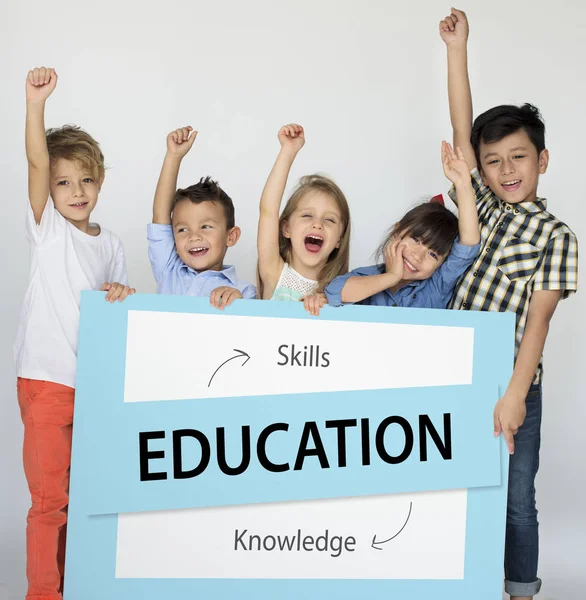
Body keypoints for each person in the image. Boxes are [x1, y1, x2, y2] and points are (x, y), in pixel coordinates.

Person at [440, 9, 579, 598]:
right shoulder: (486, 206)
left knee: (516, 497)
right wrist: (457, 48)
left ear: (541, 161)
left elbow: (538, 323)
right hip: (455, 372)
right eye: (493, 161)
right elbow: (461, 122)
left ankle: (520, 588)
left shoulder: (557, 236)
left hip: (513, 383)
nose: (505, 169)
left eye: (518, 157)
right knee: (454, 485)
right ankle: (456, 579)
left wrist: (515, 396)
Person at [15, 66, 134, 600]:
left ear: (101, 181)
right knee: (49, 502)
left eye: (86, 179)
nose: (76, 191)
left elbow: (117, 310)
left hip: (90, 391)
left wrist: (121, 297)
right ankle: (44, 593)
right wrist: (35, 103)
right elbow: (37, 160)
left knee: (82, 497)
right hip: (45, 382)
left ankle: (73, 585)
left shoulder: (110, 243)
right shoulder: (47, 230)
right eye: (64, 182)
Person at [325, 142, 480, 308]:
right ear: (397, 231)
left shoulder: (436, 288)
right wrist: (392, 276)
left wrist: (463, 184)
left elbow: (468, 246)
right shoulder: (364, 276)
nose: (418, 256)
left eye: (433, 254)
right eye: (416, 240)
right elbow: (336, 292)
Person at [148, 126, 256, 307]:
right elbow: (160, 215)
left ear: (231, 236)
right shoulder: (169, 270)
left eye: (205, 226)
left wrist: (239, 303)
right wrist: (173, 157)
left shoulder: (243, 291)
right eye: (182, 229)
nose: (193, 236)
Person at [257, 123, 351, 315]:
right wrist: (288, 152)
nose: (317, 224)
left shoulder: (340, 292)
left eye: (330, 220)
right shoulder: (275, 274)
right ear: (286, 228)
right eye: (307, 215)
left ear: (339, 240)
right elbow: (268, 211)